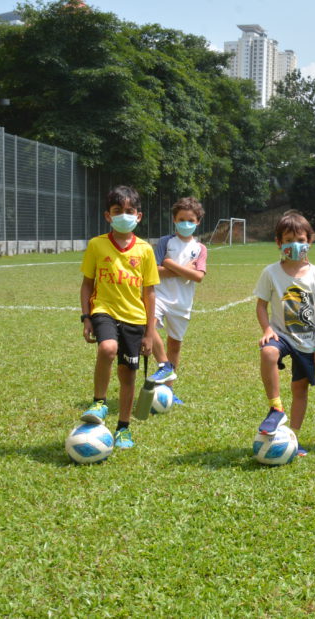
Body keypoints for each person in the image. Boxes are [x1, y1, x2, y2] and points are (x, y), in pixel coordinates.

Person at [78, 185, 160, 449]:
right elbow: (87, 285)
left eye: (129, 211)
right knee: (107, 347)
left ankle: (123, 428)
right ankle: (99, 402)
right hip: (104, 310)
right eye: (117, 211)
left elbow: (149, 294)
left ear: (138, 216)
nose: (123, 215)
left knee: (128, 377)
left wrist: (149, 332)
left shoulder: (146, 250)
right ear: (107, 216)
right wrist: (86, 317)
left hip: (135, 319)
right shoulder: (96, 245)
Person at [254, 211, 315, 457]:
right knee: (268, 353)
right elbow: (261, 305)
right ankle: (276, 408)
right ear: (278, 242)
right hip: (281, 335)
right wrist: (267, 329)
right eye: (288, 239)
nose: (294, 245)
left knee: (300, 390)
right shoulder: (270, 272)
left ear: (309, 241)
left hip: (307, 343)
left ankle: (292, 437)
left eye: (300, 239)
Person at [148, 197, 208, 403]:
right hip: (160, 296)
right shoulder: (165, 242)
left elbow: (198, 276)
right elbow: (155, 270)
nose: (186, 224)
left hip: (182, 303)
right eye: (182, 219)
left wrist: (171, 264)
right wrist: (183, 270)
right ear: (174, 220)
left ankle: (168, 391)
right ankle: (165, 366)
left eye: (191, 220)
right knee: (148, 326)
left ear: (198, 221)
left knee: (175, 345)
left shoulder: (200, 248)